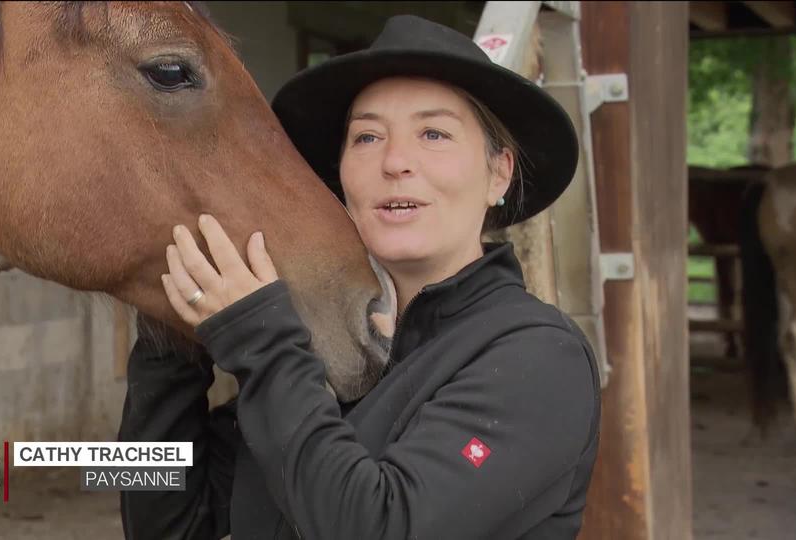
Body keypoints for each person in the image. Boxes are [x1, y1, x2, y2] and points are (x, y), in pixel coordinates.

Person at [119, 14, 601, 540]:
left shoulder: (539, 357)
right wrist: (169, 341)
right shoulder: (327, 351)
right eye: (367, 137)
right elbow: (158, 523)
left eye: (434, 133)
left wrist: (260, 342)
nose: (395, 161)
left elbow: (379, 527)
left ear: (498, 173)